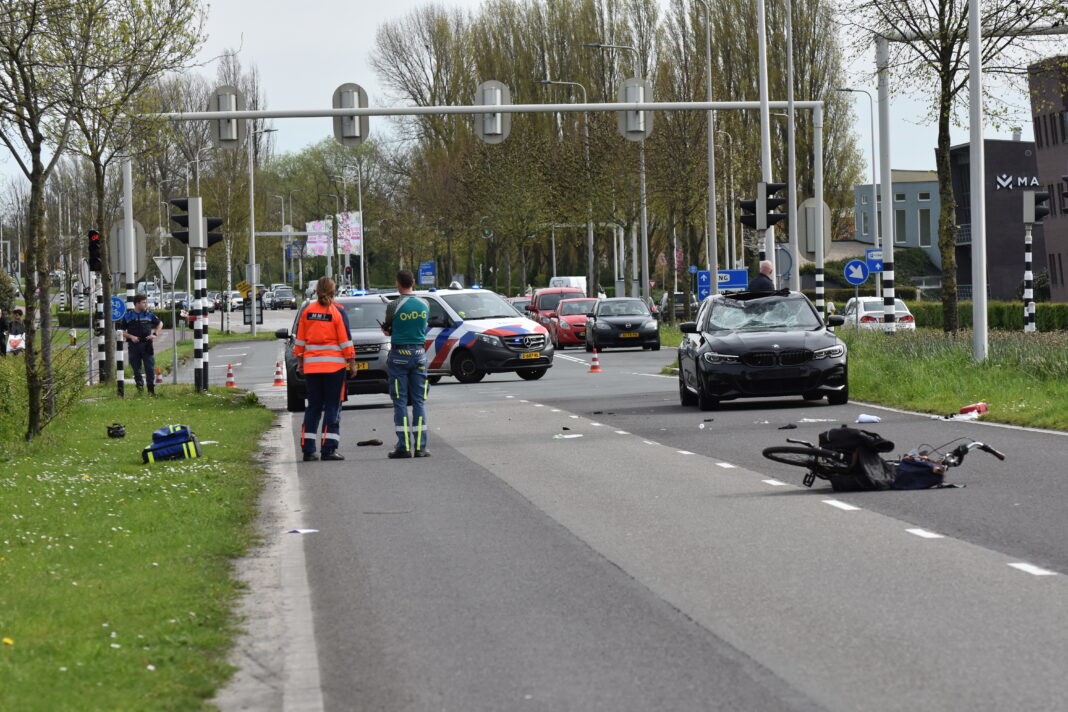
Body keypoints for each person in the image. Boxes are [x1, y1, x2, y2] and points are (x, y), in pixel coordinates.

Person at [294, 277, 356, 462]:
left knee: (313, 407)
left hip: (312, 367)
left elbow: (300, 340)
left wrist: (300, 363)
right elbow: (345, 340)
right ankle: (329, 449)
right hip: (334, 368)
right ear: (333, 291)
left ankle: (308, 449)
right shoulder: (338, 312)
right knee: (332, 406)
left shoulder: (307, 311)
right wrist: (351, 362)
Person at [381, 269, 430, 459]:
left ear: (398, 284)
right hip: (419, 354)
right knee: (419, 401)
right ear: (414, 282)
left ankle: (403, 446)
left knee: (400, 401)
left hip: (399, 355)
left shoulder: (394, 305)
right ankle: (420, 447)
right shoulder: (424, 304)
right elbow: (422, 326)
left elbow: (389, 329)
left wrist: (387, 330)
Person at [120, 295, 163, 395]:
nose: (146, 304)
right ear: (137, 303)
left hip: (147, 345)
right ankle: (140, 390)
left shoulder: (148, 314)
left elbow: (160, 323)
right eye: (144, 302)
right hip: (134, 346)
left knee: (149, 368)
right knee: (136, 369)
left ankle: (151, 391)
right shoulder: (128, 316)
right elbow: (121, 331)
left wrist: (155, 334)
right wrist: (131, 337)